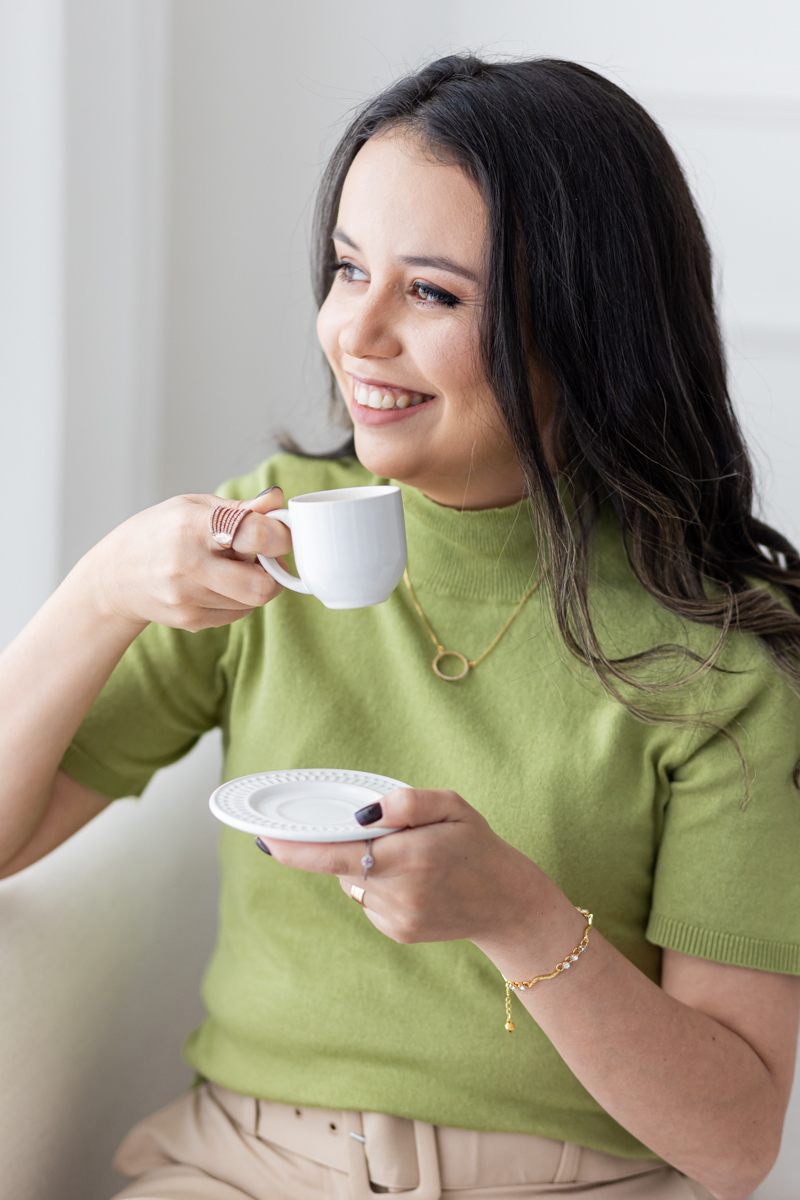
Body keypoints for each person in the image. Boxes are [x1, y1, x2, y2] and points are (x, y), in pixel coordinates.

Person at [1, 54, 799, 1200]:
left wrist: (523, 923)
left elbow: (733, 1143)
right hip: (240, 1169)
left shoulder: (720, 658)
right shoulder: (264, 545)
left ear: (583, 326)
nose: (354, 333)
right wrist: (101, 591)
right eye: (344, 269)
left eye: (431, 293)